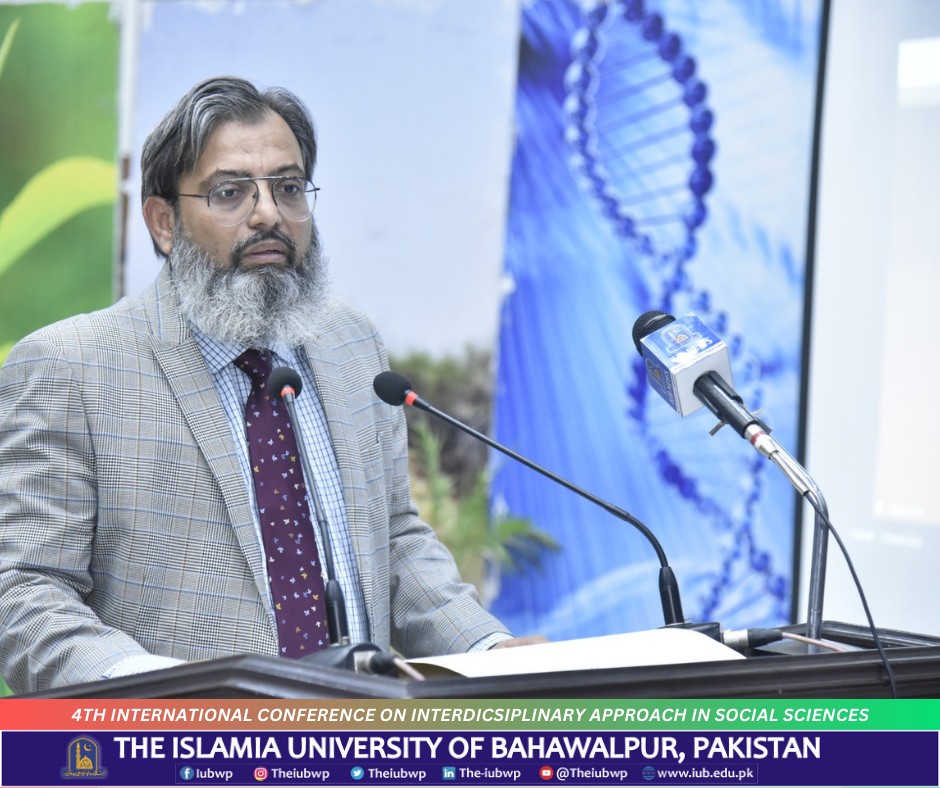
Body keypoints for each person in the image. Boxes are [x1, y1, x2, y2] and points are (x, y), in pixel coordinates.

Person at [0, 76, 540, 695]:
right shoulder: (70, 367)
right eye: (230, 192)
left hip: (361, 733)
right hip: (185, 739)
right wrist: (166, 695)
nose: (268, 214)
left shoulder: (350, 344)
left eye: (288, 187)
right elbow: (26, 590)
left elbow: (392, 541)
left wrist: (487, 649)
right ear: (164, 222)